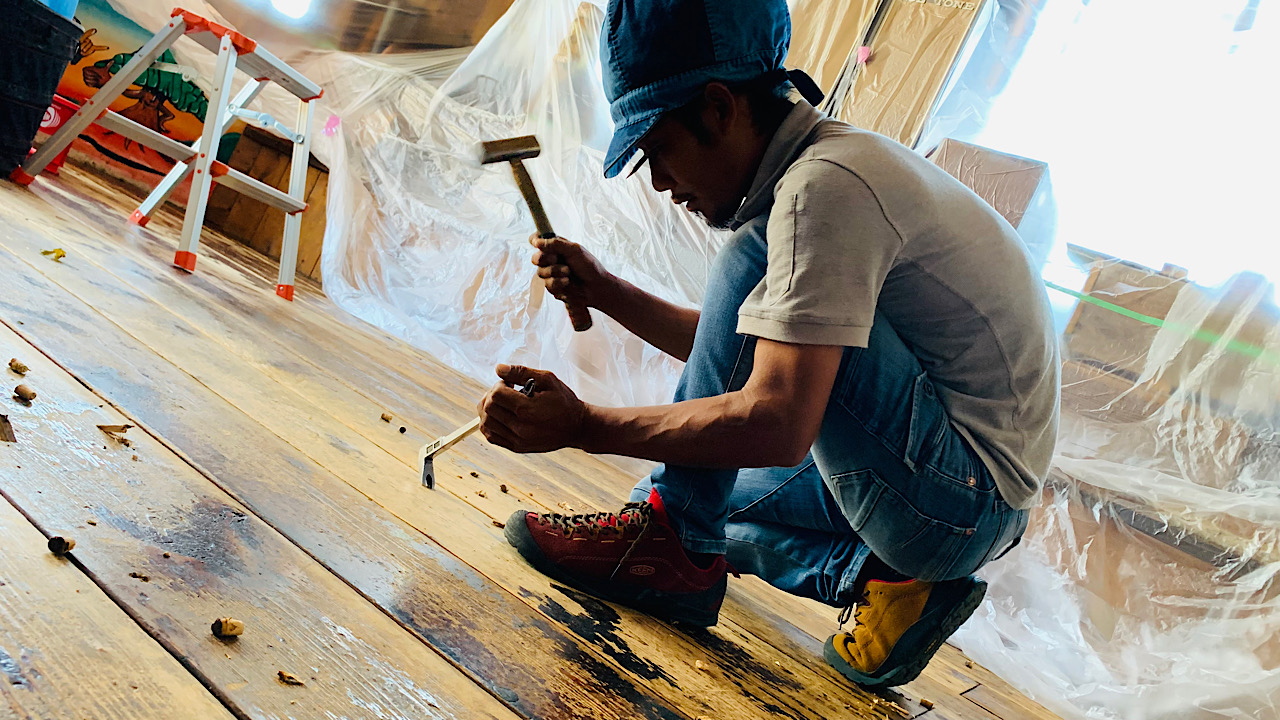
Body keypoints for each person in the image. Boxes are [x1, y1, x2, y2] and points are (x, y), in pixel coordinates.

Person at [476, 0, 1059, 689]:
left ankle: (672, 541)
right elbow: (755, 352)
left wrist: (585, 426)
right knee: (689, 497)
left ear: (719, 108)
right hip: (947, 492)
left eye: (659, 149)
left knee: (689, 482)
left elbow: (778, 422)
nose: (660, 183)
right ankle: (880, 580)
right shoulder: (827, 168)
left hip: (958, 503)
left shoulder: (823, 191)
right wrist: (607, 291)